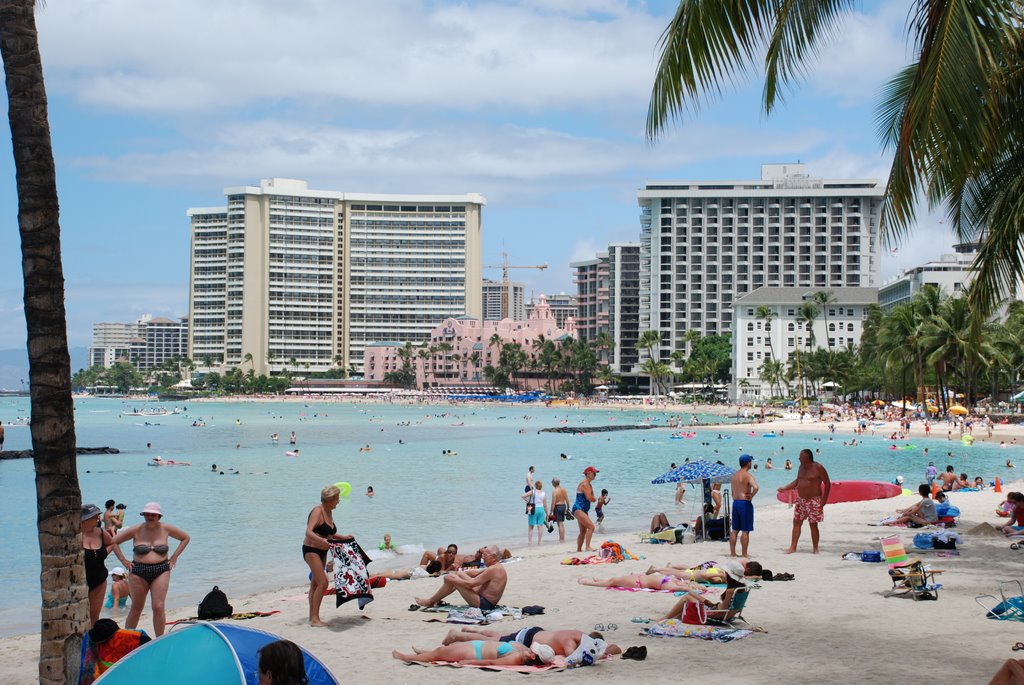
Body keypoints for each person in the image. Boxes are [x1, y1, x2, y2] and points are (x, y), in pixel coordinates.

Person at [111, 502, 190, 637]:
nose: (149, 516)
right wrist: (124, 561)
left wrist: (174, 557)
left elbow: (185, 538)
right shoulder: (136, 529)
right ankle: (128, 639)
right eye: (147, 514)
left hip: (161, 570)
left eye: (153, 514)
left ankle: (159, 639)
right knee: (136, 608)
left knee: (158, 607)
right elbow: (113, 541)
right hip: (138, 571)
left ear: (159, 516)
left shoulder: (166, 528)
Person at [302, 485, 354, 627]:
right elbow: (309, 532)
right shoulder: (317, 511)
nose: (338, 502)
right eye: (337, 499)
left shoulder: (329, 511)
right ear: (329, 500)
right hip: (311, 550)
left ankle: (312, 616)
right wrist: (322, 541)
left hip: (322, 551)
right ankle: (315, 619)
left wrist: (343, 537)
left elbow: (329, 533)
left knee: (315, 583)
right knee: (323, 582)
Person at [659, 560, 763, 622]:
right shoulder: (743, 587)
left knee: (687, 597)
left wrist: (710, 609)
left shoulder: (731, 590)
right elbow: (727, 607)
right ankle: (674, 618)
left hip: (717, 613)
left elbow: (722, 611)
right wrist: (710, 604)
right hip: (719, 609)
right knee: (691, 594)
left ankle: (665, 618)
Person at [415, 544, 507, 610]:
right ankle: (435, 599)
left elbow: (470, 584)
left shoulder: (493, 569)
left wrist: (453, 580)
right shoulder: (496, 566)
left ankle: (430, 601)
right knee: (457, 574)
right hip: (482, 598)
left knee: (451, 579)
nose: (483, 558)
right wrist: (458, 573)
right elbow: (475, 573)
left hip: (484, 604)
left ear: (494, 557)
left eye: (485, 555)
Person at [441, 626, 621, 657]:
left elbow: (617, 648)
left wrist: (605, 650)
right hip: (528, 638)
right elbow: (571, 657)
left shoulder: (577, 635)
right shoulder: (571, 642)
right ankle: (459, 636)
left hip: (535, 633)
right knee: (495, 641)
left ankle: (472, 630)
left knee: (500, 636)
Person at [778, 449, 831, 554]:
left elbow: (827, 483)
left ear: (807, 458)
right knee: (796, 522)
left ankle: (815, 549)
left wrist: (824, 499)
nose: (798, 458)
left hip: (814, 500)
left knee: (813, 524)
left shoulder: (818, 468)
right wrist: (785, 488)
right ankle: (793, 547)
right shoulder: (801, 467)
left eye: (800, 457)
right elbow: (798, 481)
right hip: (801, 499)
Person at [392, 640, 555, 667]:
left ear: (533, 656)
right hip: (478, 646)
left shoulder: (517, 658)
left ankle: (406, 657)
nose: (530, 649)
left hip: (474, 652)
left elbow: (492, 663)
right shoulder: (523, 653)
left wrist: (470, 663)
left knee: (440, 653)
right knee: (444, 650)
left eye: (533, 650)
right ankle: (425, 652)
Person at [81, 503, 117, 624]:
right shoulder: (75, 536)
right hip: (80, 583)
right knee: (80, 617)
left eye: (98, 516)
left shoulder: (100, 532)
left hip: (99, 580)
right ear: (84, 520)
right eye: (94, 517)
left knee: (94, 617)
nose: (98, 519)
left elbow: (112, 543)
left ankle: (92, 642)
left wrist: (103, 554)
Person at [730, 454, 759, 557]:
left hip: (736, 503)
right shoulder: (748, 475)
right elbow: (756, 487)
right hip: (744, 504)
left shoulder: (734, 475)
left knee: (734, 530)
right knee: (745, 530)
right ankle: (744, 554)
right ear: (748, 463)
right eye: (750, 461)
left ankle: (732, 553)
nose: (751, 463)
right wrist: (751, 496)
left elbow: (732, 492)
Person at [577, 572, 701, 592]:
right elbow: (681, 584)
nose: (685, 582)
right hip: (640, 578)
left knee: (613, 581)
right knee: (614, 580)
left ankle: (588, 582)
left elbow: (674, 589)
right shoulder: (675, 580)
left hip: (639, 582)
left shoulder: (671, 584)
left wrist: (688, 589)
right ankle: (600, 580)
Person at [571, 466, 599, 552]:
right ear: (588, 474)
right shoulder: (585, 484)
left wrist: (593, 498)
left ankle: (579, 549)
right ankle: (587, 547)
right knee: (591, 527)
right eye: (594, 473)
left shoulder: (589, 485)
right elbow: (589, 498)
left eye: (595, 474)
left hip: (583, 510)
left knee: (583, 531)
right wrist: (594, 499)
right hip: (579, 509)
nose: (595, 475)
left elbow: (592, 496)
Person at [522, 480, 547, 545]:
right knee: (540, 526)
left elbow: (523, 496)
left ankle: (530, 542)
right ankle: (539, 541)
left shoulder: (533, 491)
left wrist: (528, 501)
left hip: (533, 509)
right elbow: (545, 505)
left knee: (531, 526)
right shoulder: (543, 493)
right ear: (541, 486)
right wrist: (547, 513)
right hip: (541, 509)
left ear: (535, 486)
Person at [550, 477, 570, 543]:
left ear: (554, 483)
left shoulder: (555, 491)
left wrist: (551, 511)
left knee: (560, 524)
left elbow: (553, 502)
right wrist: (568, 507)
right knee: (561, 523)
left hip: (557, 507)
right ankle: (562, 538)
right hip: (563, 506)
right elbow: (567, 499)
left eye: (552, 482)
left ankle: (561, 539)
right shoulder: (563, 490)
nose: (551, 483)